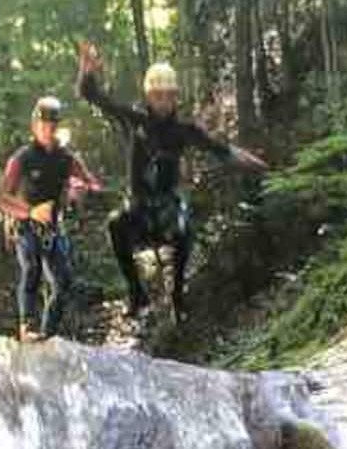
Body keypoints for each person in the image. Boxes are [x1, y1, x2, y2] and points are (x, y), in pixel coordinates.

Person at [76, 41, 267, 323]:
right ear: (149, 96)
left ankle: (177, 297)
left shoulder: (183, 130)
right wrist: (87, 70)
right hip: (139, 210)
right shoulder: (135, 120)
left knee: (184, 230)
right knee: (115, 225)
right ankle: (136, 293)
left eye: (168, 96)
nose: (163, 102)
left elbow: (221, 150)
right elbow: (92, 95)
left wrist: (258, 165)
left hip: (167, 210)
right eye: (158, 96)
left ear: (175, 97)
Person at [0, 95, 103, 342]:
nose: (48, 130)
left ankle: (48, 333)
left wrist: (85, 188)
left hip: (52, 227)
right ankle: (27, 325)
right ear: (34, 126)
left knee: (63, 282)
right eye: (43, 125)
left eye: (52, 125)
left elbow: (90, 181)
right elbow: (2, 197)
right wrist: (29, 211)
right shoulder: (22, 158)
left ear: (58, 127)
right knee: (32, 268)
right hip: (25, 224)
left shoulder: (66, 158)